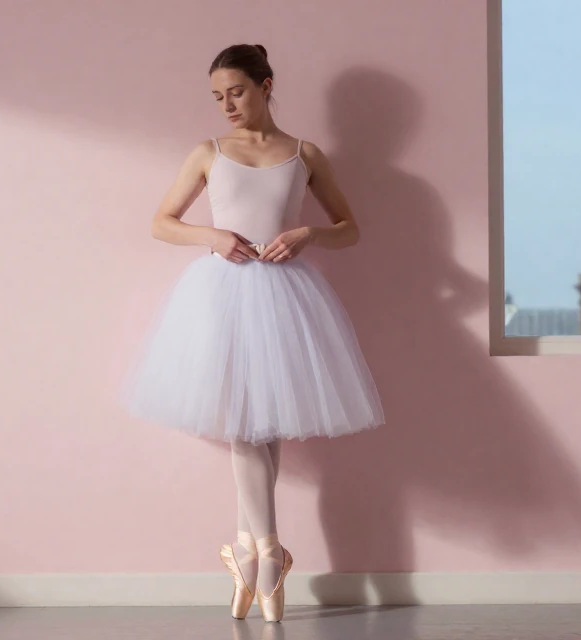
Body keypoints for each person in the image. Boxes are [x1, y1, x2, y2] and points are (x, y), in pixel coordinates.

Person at [120, 43, 385, 623]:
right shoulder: (209, 152)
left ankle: (247, 553)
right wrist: (212, 237)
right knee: (245, 423)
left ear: (266, 85)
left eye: (236, 91)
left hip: (287, 296)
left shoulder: (304, 154)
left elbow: (349, 228)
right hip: (221, 297)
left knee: (266, 429)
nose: (227, 105)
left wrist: (308, 235)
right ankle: (269, 559)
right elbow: (161, 222)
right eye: (217, 96)